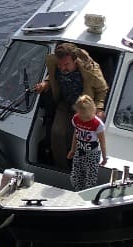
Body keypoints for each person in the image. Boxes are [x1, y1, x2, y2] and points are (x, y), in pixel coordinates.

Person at [34, 41, 107, 171]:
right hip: (65, 103)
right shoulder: (55, 63)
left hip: (83, 106)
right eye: (60, 64)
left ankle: (81, 167)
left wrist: (99, 108)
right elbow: (52, 75)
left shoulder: (90, 70)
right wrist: (45, 84)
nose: (63, 68)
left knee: (82, 138)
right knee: (56, 133)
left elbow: (102, 89)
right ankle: (61, 167)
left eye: (66, 64)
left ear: (75, 61)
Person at [67, 93, 108, 188]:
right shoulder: (76, 119)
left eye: (87, 117)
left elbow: (102, 142)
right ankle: (78, 192)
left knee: (90, 179)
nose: (84, 119)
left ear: (92, 112)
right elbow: (75, 134)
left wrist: (105, 157)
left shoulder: (98, 124)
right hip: (80, 151)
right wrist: (72, 150)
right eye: (81, 116)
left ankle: (87, 197)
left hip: (92, 154)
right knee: (75, 177)